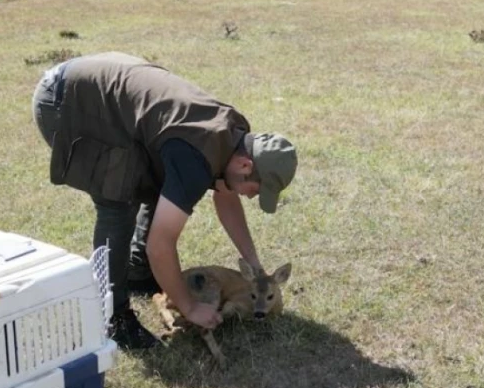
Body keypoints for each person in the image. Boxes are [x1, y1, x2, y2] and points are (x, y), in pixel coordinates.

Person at [32, 52, 297, 350]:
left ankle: (138, 270)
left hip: (101, 89)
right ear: (246, 165)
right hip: (66, 101)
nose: (250, 195)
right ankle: (113, 317)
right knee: (118, 200)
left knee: (157, 179)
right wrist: (190, 307)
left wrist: (254, 264)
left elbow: (226, 196)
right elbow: (162, 244)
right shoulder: (196, 156)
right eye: (255, 189)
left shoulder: (235, 135)